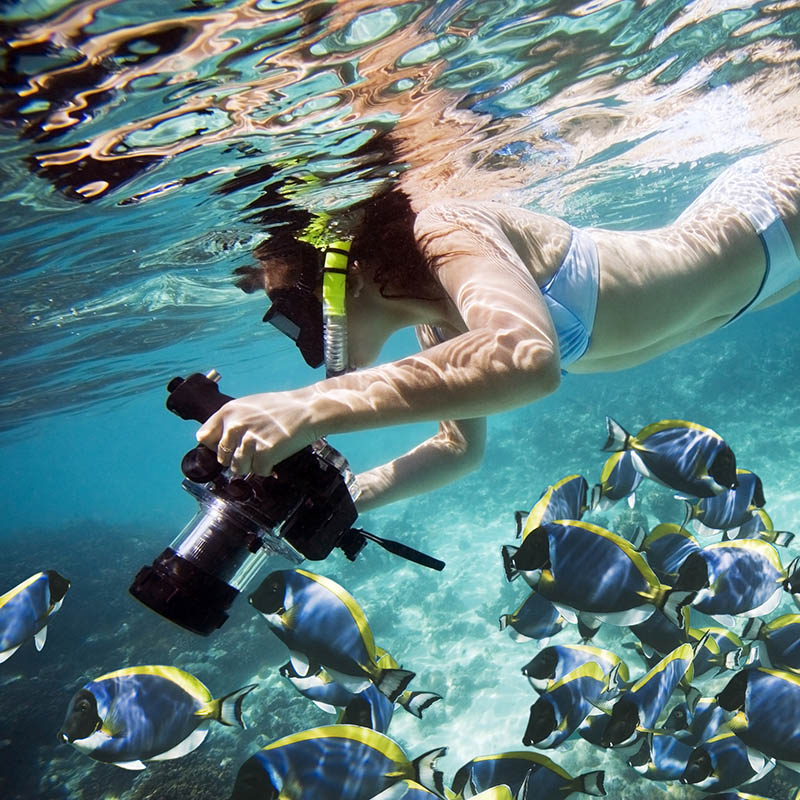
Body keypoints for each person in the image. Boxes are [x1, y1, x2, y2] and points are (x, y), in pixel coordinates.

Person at [196, 148, 800, 511]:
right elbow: (457, 449)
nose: (298, 336)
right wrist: (346, 496)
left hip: (778, 210)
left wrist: (310, 406)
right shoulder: (442, 329)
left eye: (289, 309)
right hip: (768, 284)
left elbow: (524, 357)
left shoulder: (445, 224)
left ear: (341, 277)